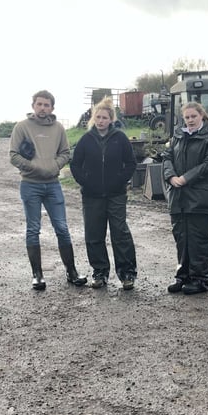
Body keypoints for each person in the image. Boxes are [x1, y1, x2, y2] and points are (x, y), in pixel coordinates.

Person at [9, 90, 87, 290]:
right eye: (39, 104)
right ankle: (37, 275)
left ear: (52, 107)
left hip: (53, 185)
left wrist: (54, 167)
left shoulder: (58, 128)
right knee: (33, 229)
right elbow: (14, 156)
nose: (42, 108)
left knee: (62, 227)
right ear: (33, 105)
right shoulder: (22, 127)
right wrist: (35, 167)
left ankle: (72, 271)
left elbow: (65, 153)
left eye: (46, 105)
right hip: (30, 184)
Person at [70, 97, 137, 290]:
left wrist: (120, 180)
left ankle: (126, 274)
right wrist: (86, 182)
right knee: (94, 234)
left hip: (116, 194)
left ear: (111, 119)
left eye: (105, 117)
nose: (101, 121)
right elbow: (75, 165)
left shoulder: (120, 138)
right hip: (91, 196)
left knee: (120, 233)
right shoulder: (85, 140)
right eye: (98, 117)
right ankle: (100, 272)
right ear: (93, 118)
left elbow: (131, 163)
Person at [162, 102, 208, 295]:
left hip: (200, 196)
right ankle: (183, 276)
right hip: (178, 196)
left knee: (198, 239)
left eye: (193, 116)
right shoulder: (177, 136)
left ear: (202, 116)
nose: (190, 120)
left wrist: (186, 178)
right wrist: (171, 177)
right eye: (187, 117)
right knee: (181, 237)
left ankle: (201, 279)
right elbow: (167, 157)